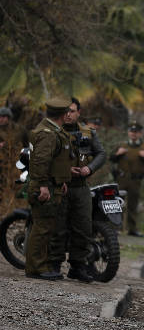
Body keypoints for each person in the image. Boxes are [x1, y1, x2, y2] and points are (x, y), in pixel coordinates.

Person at [47, 98, 106, 281]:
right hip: (60, 185)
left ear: (79, 112)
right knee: (58, 226)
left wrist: (90, 168)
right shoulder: (53, 131)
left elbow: (101, 154)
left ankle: (78, 266)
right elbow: (44, 158)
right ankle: (54, 264)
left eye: (72, 111)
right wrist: (63, 171)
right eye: (66, 111)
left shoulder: (88, 132)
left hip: (81, 187)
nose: (68, 115)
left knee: (83, 227)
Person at [25, 98, 77, 280]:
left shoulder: (52, 130)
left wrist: (60, 180)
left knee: (46, 227)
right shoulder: (47, 133)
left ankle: (42, 265)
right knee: (41, 227)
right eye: (68, 112)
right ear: (64, 114)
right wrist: (42, 186)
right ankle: (35, 268)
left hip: (51, 184)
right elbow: (40, 162)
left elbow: (54, 161)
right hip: (44, 186)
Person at [110, 121, 144, 236]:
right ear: (128, 133)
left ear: (140, 134)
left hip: (136, 180)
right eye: (131, 131)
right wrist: (117, 154)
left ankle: (132, 229)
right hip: (121, 179)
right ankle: (116, 228)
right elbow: (111, 158)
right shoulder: (121, 145)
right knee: (118, 203)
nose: (133, 134)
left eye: (136, 132)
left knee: (133, 205)